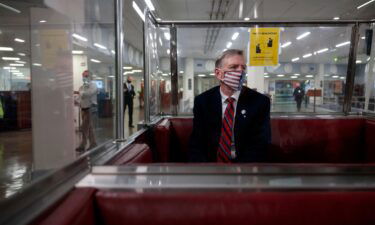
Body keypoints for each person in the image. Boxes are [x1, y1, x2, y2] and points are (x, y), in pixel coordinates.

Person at [189, 49, 271, 163]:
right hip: (211, 166)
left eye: (243, 68)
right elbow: (197, 143)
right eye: (233, 67)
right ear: (218, 73)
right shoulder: (203, 101)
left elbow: (260, 144)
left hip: (246, 168)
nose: (240, 72)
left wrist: (241, 172)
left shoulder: (259, 102)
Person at [76, 70, 98, 152]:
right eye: (83, 76)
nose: (83, 78)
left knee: (84, 128)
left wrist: (80, 92)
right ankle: (93, 143)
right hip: (84, 109)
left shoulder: (93, 85)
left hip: (90, 108)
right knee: (89, 128)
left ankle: (83, 145)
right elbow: (80, 97)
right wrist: (77, 99)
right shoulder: (84, 86)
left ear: (89, 76)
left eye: (85, 76)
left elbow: (87, 94)